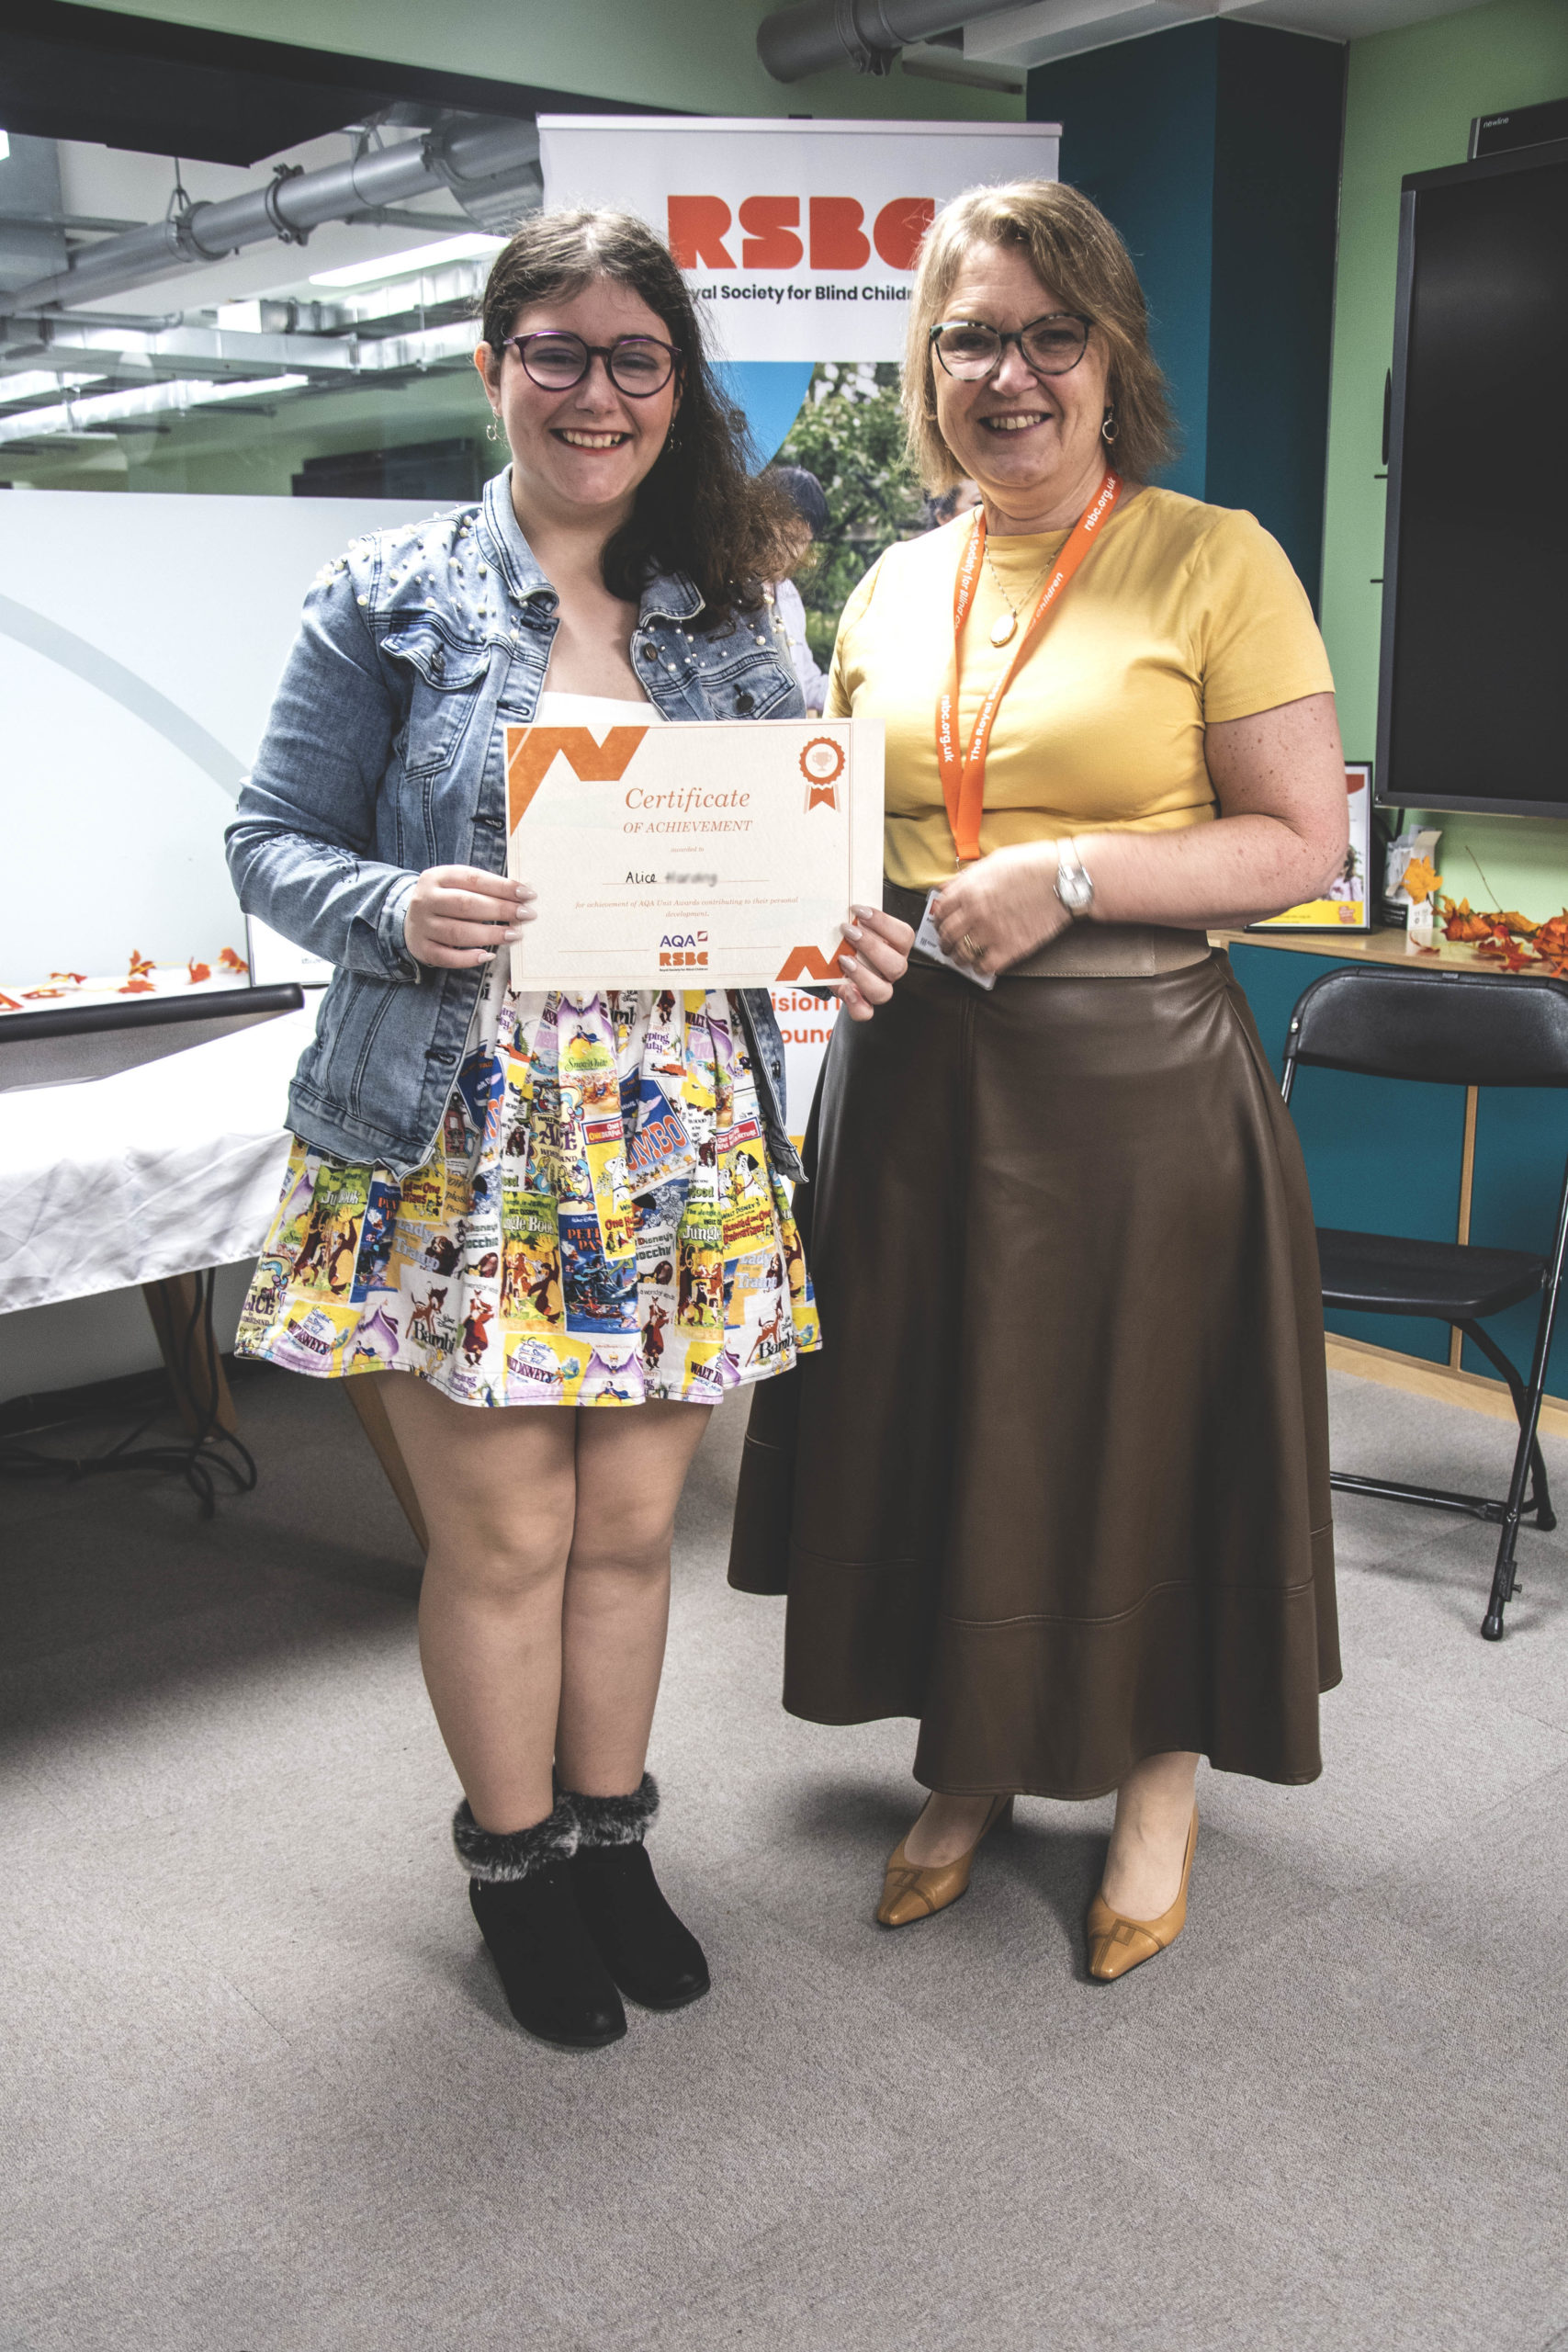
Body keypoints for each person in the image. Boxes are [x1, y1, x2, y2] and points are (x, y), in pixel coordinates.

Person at [226, 207, 911, 2051]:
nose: (594, 392)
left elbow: (802, 843)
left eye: (633, 358)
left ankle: (613, 1840)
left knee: (629, 1528)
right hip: (462, 1122)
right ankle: (514, 1860)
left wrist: (841, 923)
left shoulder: (731, 598)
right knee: (508, 1537)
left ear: (671, 383)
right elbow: (267, 846)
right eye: (557, 352)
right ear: (493, 364)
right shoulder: (387, 593)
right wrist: (395, 905)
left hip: (679, 1124)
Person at [728, 178, 1347, 1982]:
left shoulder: (1211, 558)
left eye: (1047, 331)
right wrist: (827, 922)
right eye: (968, 336)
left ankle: (1156, 1771)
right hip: (911, 1067)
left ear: (1107, 355)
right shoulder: (889, 583)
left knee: (1134, 1424)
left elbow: (1297, 842)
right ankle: (974, 1748)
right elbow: (852, 832)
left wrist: (1069, 871)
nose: (1010, 370)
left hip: (1132, 1074)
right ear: (928, 369)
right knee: (948, 1419)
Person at [767, 464, 830, 714]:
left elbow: (808, 683)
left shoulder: (788, 592)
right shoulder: (730, 592)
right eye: (788, 537)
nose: (794, 553)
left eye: (803, 542)